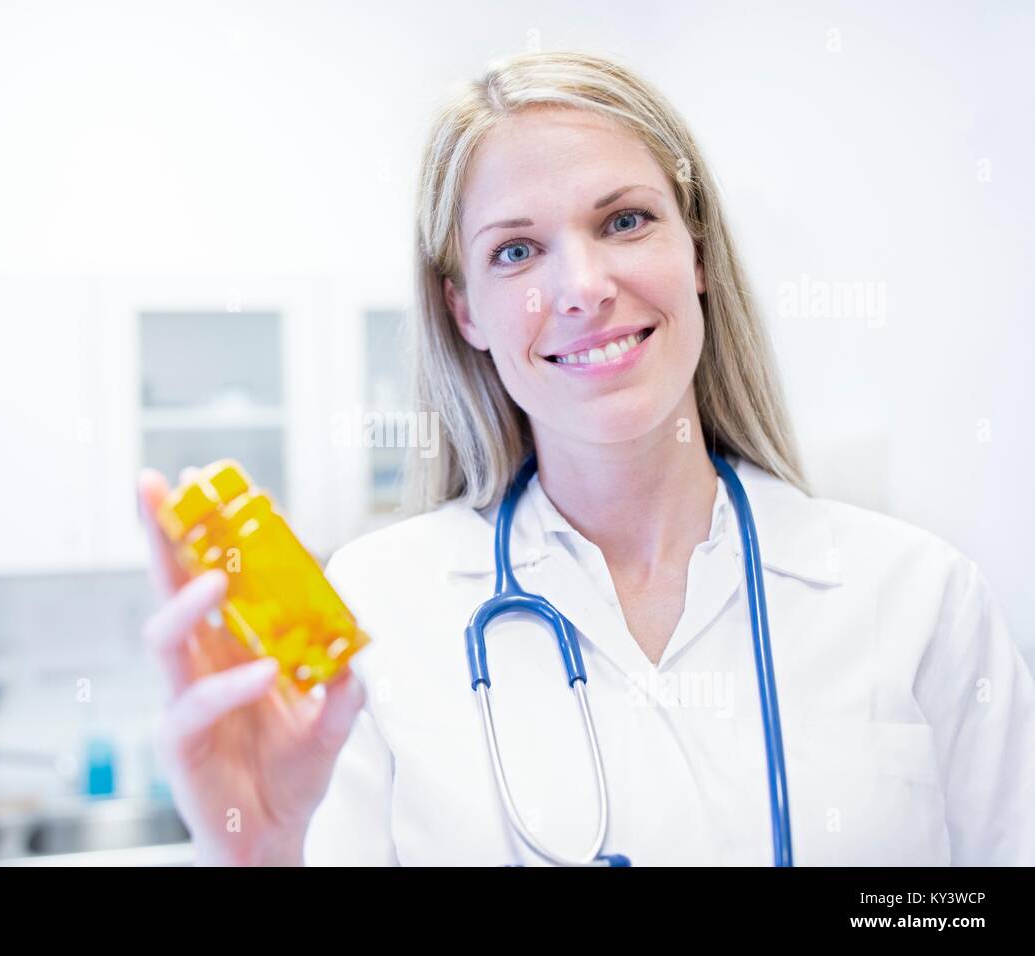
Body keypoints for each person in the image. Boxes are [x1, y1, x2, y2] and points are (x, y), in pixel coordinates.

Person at [136, 50, 1035, 866]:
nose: (581, 289)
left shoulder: (918, 600)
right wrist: (261, 859)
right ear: (466, 313)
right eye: (517, 250)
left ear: (697, 255)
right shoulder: (379, 608)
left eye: (625, 221)